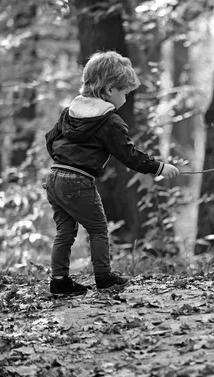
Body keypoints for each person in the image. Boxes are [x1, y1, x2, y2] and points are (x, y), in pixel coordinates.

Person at [44, 50, 179, 296]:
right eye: (124, 92)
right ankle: (104, 277)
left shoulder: (70, 111)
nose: (126, 99)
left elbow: (50, 138)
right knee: (98, 229)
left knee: (65, 231)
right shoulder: (109, 121)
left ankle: (59, 280)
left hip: (54, 178)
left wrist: (62, 161)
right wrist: (158, 167)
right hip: (78, 181)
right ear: (109, 90)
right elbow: (128, 155)